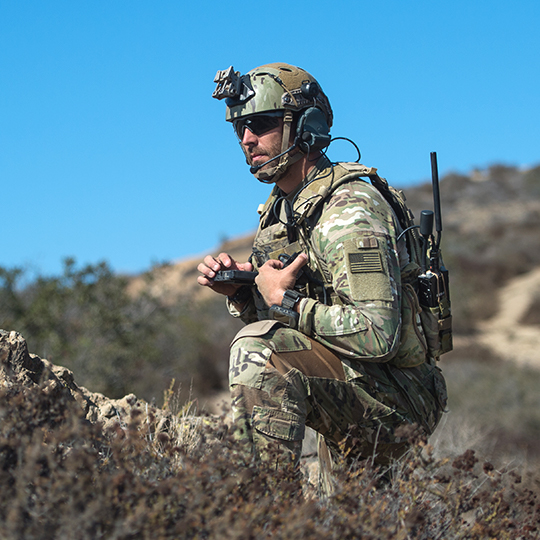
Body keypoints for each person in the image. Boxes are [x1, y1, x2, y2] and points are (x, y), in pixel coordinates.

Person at [198, 63, 447, 470]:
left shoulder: (349, 210)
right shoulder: (282, 211)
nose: (246, 139)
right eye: (239, 128)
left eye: (260, 123)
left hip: (399, 398)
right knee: (353, 522)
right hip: (356, 384)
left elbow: (377, 334)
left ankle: (261, 513)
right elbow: (288, 318)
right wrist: (245, 291)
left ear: (305, 125)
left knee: (258, 351)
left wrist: (289, 302)